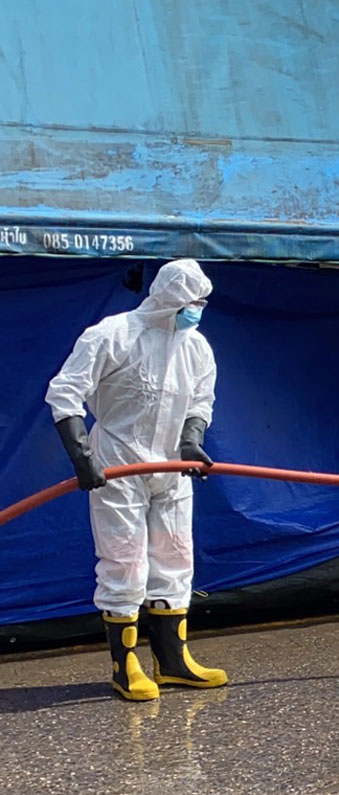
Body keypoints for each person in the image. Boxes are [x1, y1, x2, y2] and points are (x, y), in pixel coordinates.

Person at [46, 259, 228, 701]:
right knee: (124, 562)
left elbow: (200, 400)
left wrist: (190, 439)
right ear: (168, 297)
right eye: (191, 302)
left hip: (170, 469)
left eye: (202, 302)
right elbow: (65, 392)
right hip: (118, 466)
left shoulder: (196, 347)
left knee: (176, 558)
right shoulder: (112, 335)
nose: (197, 309)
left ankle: (172, 662)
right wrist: (81, 455)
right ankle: (124, 666)